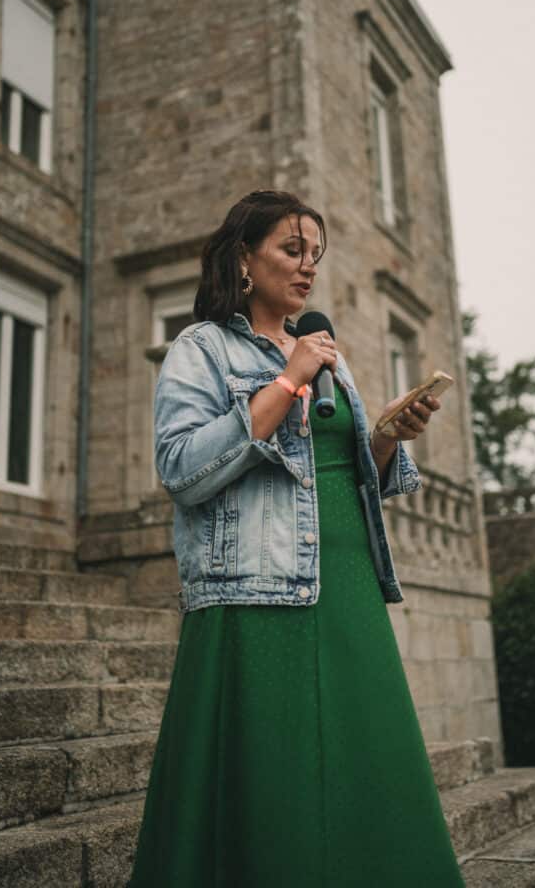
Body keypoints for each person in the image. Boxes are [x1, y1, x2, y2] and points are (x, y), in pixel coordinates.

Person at [127, 190, 466, 887]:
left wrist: (384, 438)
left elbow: (342, 476)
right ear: (244, 260)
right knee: (269, 783)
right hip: (255, 592)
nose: (307, 266)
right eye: (291, 249)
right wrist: (286, 381)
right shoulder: (204, 348)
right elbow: (182, 469)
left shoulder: (328, 356)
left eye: (315, 253)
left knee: (366, 774)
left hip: (348, 588)